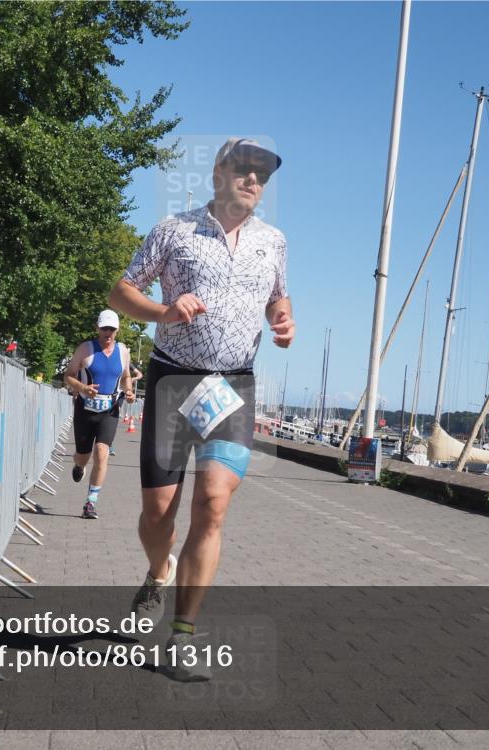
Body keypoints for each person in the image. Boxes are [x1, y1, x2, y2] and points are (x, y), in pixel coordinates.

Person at [108, 137, 294, 681]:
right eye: (245, 168)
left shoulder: (273, 241)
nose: (254, 179)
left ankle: (181, 638)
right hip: (174, 381)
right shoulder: (175, 230)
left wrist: (283, 320)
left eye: (263, 173)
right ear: (219, 173)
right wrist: (164, 311)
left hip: (232, 386)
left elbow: (278, 296)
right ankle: (158, 571)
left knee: (212, 504)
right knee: (157, 516)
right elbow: (121, 293)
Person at [63, 309, 136, 519]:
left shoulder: (123, 351)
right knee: (83, 456)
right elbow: (68, 376)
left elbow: (126, 376)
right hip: (85, 410)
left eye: (112, 329)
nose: (108, 333)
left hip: (109, 410)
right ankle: (79, 465)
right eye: (104, 328)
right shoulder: (85, 349)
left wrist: (129, 391)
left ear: (117, 330)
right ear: (97, 328)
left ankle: (90, 503)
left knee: (102, 453)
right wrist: (83, 388)